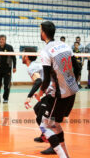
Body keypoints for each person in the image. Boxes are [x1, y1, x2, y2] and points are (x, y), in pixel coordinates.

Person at [36, 21, 80, 158]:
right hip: (72, 92)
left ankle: (63, 156)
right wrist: (70, 82)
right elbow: (77, 68)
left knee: (44, 126)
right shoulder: (65, 45)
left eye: (40, 30)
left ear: (43, 33)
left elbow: (47, 79)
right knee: (54, 124)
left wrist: (41, 92)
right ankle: (65, 155)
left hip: (59, 95)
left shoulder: (46, 51)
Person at [22, 47, 55, 155]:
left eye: (23, 54)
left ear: (26, 57)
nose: (21, 56)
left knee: (40, 118)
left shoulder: (31, 67)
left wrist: (29, 96)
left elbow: (39, 81)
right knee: (37, 108)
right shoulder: (35, 65)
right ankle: (44, 135)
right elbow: (42, 80)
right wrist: (40, 92)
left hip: (53, 93)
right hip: (50, 91)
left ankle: (53, 145)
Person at [0, 35, 16, 103]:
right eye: (0, 39)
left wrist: (14, 67)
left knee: (6, 84)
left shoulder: (9, 47)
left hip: (7, 69)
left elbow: (14, 57)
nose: (1, 40)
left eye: (2, 39)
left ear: (5, 40)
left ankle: (5, 98)